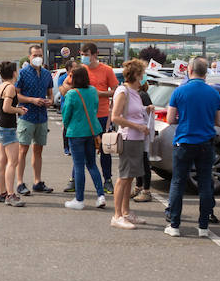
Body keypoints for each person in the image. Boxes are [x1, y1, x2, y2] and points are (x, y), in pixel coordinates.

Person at [163, 57, 220, 237]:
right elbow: (219, 121)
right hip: (205, 143)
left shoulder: (179, 91)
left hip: (184, 141)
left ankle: (174, 225)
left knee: (177, 182)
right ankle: (203, 226)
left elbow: (169, 119)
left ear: (189, 71)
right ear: (206, 73)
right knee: (206, 183)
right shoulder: (213, 93)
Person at [60, 43, 118, 194]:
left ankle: (108, 180)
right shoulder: (80, 70)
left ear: (95, 54)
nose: (84, 57)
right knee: (79, 152)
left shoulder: (107, 70)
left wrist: (99, 94)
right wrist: (74, 93)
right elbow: (64, 86)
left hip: (101, 116)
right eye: (82, 54)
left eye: (86, 54)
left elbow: (116, 91)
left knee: (104, 150)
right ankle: (74, 180)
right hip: (82, 118)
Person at [109, 59, 152, 229]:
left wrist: (146, 110)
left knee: (130, 177)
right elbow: (116, 117)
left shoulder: (135, 92)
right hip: (128, 139)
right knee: (123, 177)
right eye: (142, 73)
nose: (143, 76)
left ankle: (125, 212)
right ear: (135, 74)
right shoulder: (123, 91)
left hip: (137, 140)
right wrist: (138, 126)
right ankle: (117, 215)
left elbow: (133, 113)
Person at [60, 65, 106, 210]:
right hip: (91, 132)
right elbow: (95, 108)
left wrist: (67, 125)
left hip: (76, 132)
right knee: (92, 164)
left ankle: (79, 199)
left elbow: (66, 115)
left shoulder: (72, 94)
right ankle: (101, 195)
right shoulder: (92, 91)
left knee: (79, 166)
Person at [14, 45, 56, 196]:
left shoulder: (46, 74)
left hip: (42, 117)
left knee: (38, 150)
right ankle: (19, 182)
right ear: (29, 57)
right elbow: (16, 95)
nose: (38, 57)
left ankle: (37, 181)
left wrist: (50, 101)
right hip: (26, 116)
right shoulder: (23, 74)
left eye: (40, 55)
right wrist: (32, 100)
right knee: (22, 150)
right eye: (35, 55)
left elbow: (50, 93)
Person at [0, 61, 28, 207]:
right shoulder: (11, 87)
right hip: (8, 128)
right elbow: (6, 107)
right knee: (13, 162)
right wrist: (19, 110)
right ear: (14, 73)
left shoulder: (1, 86)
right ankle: (11, 195)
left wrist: (14, 108)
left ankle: (2, 192)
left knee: (2, 161)